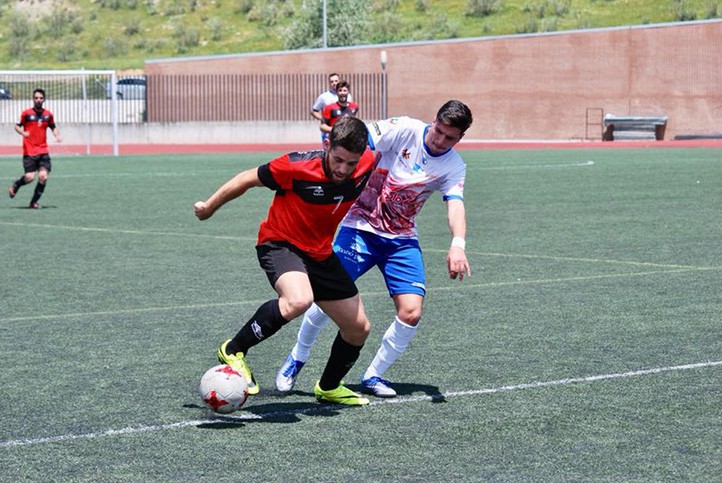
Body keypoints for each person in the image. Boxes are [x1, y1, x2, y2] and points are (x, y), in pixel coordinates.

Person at [276, 100, 473, 398]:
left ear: (460, 138)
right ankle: (296, 358)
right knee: (326, 296)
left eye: (451, 138)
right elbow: (359, 140)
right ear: (433, 121)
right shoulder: (405, 128)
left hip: (401, 239)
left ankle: (373, 375)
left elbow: (455, 204)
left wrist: (458, 244)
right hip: (360, 228)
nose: (441, 140)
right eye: (439, 131)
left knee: (411, 312)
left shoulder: (454, 166)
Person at [194, 116, 377, 406]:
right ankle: (234, 349)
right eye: (338, 159)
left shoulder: (369, 160)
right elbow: (246, 179)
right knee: (299, 299)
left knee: (358, 328)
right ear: (327, 145)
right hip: (280, 243)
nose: (343, 169)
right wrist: (209, 207)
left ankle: (329, 387)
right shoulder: (295, 166)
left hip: (320, 253)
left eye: (351, 164)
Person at [8, 88, 62, 209]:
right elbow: (16, 126)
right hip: (29, 151)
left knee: (43, 176)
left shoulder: (48, 115)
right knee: (29, 177)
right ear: (33, 99)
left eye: (41, 98)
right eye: (36, 98)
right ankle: (16, 185)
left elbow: (53, 127)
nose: (38, 100)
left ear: (44, 99)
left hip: (43, 150)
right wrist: (23, 132)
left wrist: (57, 134)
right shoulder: (26, 114)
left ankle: (33, 202)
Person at [311, 73, 353, 141]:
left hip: (344, 131)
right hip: (328, 131)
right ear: (329, 83)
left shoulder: (348, 96)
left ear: (339, 81)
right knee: (329, 151)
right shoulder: (324, 97)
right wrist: (322, 118)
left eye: (336, 81)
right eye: (332, 81)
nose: (334, 83)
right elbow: (314, 110)